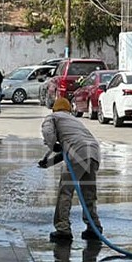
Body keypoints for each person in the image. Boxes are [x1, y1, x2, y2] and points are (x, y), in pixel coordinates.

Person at [39, 97, 102, 243]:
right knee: (89, 192)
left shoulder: (53, 117)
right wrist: (48, 163)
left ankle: (63, 229)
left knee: (65, 191)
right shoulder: (73, 121)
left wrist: (52, 145)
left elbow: (48, 133)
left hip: (79, 152)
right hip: (93, 152)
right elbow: (67, 151)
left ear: (55, 109)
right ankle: (94, 227)